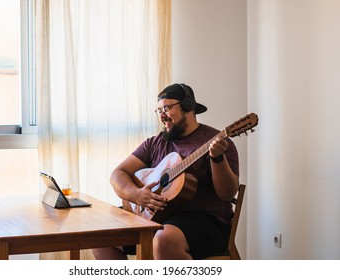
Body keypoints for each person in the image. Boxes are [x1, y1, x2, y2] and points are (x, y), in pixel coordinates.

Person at [92, 83, 239, 260]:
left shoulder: (217, 141)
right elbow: (118, 174)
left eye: (167, 108)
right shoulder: (155, 143)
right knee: (99, 236)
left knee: (163, 239)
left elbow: (227, 193)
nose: (162, 115)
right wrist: (137, 195)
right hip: (159, 217)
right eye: (159, 110)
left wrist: (217, 158)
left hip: (207, 219)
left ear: (188, 107)